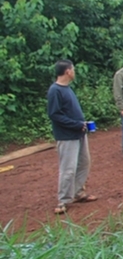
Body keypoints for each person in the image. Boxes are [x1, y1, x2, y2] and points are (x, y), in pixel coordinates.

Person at [47, 59, 98, 215]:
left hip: (79, 132)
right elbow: (54, 114)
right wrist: (75, 124)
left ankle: (77, 193)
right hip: (67, 136)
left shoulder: (67, 88)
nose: (74, 72)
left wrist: (81, 124)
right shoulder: (55, 90)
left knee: (84, 163)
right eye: (73, 69)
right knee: (68, 168)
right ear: (68, 71)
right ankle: (63, 200)